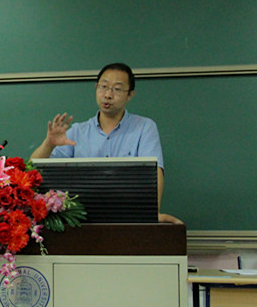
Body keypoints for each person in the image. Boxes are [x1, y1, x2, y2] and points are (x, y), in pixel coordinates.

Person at [30, 62, 182, 224]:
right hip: (82, 221)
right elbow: (32, 170)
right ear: (96, 88)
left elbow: (155, 172)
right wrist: (49, 144)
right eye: (103, 87)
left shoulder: (144, 127)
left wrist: (151, 213)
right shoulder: (77, 132)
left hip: (129, 218)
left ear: (130, 95)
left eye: (117, 89)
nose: (108, 95)